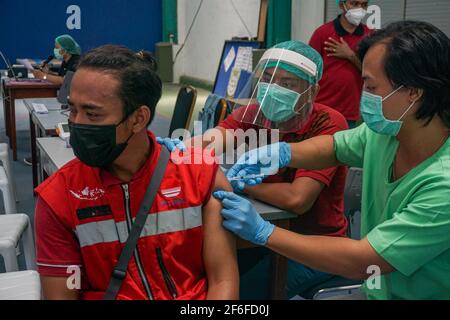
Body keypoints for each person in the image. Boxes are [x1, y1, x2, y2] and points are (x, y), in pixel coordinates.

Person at [214, 21, 450, 300]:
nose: (364, 97)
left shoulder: (442, 185)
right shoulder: (387, 131)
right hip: (379, 290)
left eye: (371, 87)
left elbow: (365, 261)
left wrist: (263, 231)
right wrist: (282, 153)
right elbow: (334, 147)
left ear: (414, 91)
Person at [34, 45, 239, 300]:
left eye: (93, 114)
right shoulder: (58, 198)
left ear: (139, 119)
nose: (76, 123)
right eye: (73, 110)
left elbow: (223, 281)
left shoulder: (201, 177)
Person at [163, 40, 349, 299]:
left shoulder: (327, 124)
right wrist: (179, 150)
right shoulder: (256, 114)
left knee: (245, 293)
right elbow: (216, 138)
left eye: (287, 84)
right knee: (199, 277)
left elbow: (298, 199)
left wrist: (242, 182)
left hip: (313, 244)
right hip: (259, 235)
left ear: (311, 91)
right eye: (269, 79)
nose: (273, 90)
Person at [309, 0, 372, 128]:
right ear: (341, 5)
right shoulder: (322, 33)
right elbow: (308, 69)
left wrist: (350, 56)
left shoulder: (369, 36)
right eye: (354, 3)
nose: (359, 9)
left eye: (364, 5)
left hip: (349, 112)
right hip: (321, 108)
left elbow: (372, 73)